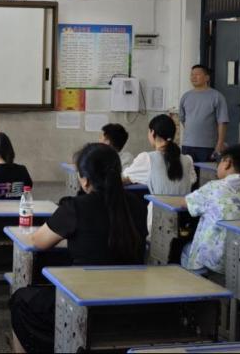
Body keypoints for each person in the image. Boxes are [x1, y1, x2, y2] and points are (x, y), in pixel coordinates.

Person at [9, 143, 146, 353]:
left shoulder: (76, 207)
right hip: (131, 303)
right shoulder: (137, 204)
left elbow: (38, 242)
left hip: (85, 302)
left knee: (21, 299)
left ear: (84, 180)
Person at [179, 144, 240, 273]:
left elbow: (185, 203)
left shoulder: (214, 187)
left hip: (212, 260)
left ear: (227, 162)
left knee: (185, 249)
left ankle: (192, 281)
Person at [124, 115, 197, 230]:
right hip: (184, 221)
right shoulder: (188, 160)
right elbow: (192, 180)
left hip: (158, 221)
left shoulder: (147, 159)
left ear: (152, 132)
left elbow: (124, 178)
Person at [178, 65, 229, 163]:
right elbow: (183, 119)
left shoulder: (217, 96)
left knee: (206, 171)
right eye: (192, 75)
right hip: (187, 145)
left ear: (207, 78)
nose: (193, 77)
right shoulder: (186, 96)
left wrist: (220, 144)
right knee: (189, 172)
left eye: (197, 74)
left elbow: (222, 122)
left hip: (208, 146)